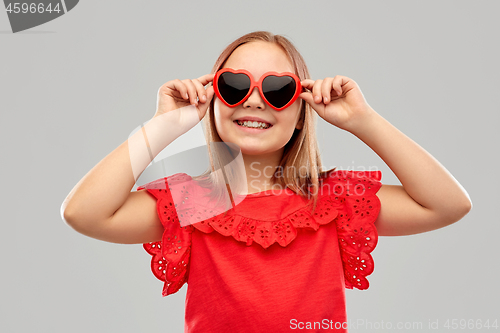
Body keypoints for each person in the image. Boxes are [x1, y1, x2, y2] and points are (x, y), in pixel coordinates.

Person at [61, 31, 472, 332]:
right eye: (235, 86)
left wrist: (364, 122)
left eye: (277, 89)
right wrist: (162, 125)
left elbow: (448, 204)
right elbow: (84, 213)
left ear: (300, 113)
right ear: (213, 101)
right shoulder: (199, 200)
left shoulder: (330, 200)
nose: (255, 99)